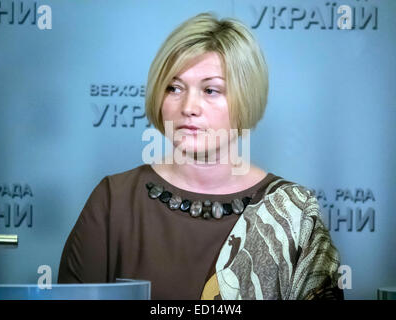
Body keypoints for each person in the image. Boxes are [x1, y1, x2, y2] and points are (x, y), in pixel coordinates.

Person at [58, 12, 343, 300]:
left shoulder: (293, 212)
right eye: (175, 87)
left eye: (210, 90)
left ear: (246, 97)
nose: (189, 106)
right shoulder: (114, 200)